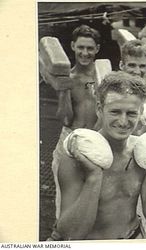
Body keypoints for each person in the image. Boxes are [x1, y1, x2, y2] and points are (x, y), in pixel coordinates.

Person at [49, 71, 146, 240]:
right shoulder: (77, 156)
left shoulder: (143, 152)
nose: (123, 121)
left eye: (131, 113)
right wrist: (94, 177)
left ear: (141, 112)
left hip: (134, 237)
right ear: (99, 109)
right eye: (115, 112)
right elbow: (71, 233)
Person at [51, 25, 101, 221]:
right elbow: (64, 119)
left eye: (90, 48)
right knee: (67, 202)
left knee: (96, 204)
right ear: (72, 46)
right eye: (80, 47)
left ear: (97, 48)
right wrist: (64, 91)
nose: (85, 53)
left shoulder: (104, 76)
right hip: (70, 140)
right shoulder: (67, 77)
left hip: (98, 143)